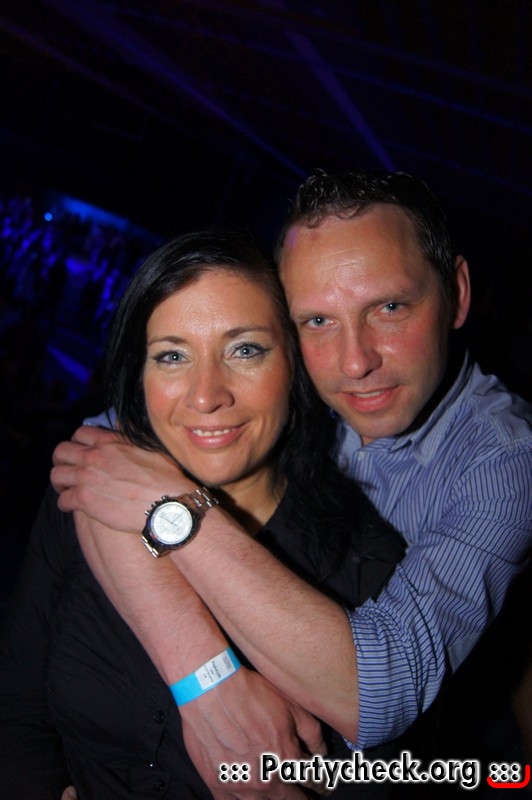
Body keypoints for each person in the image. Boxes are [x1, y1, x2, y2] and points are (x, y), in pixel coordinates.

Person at [48, 170, 532, 795]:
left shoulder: (505, 460)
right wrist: (207, 682)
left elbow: (381, 690)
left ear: (458, 294)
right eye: (317, 320)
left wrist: (175, 511)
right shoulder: (295, 384)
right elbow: (103, 451)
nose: (355, 361)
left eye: (389, 307)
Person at [0, 230, 406, 799]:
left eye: (245, 350)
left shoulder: (373, 568)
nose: (206, 394)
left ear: (295, 365)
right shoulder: (82, 499)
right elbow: (15, 712)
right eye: (172, 356)